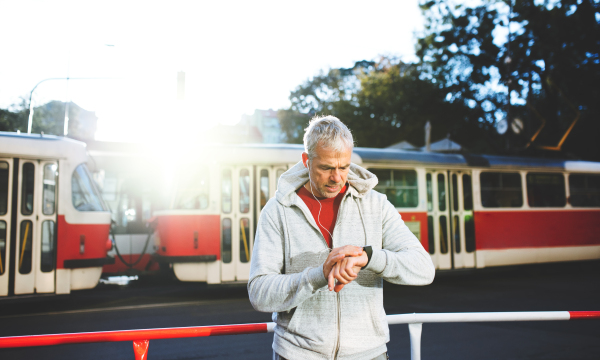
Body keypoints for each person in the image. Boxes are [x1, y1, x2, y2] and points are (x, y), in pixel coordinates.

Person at [248, 115, 435, 360]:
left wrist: (368, 257)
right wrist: (318, 275)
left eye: (344, 167)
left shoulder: (376, 205)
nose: (337, 177)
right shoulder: (277, 210)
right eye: (326, 168)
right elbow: (259, 292)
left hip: (369, 354)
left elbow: (424, 269)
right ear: (307, 161)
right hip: (297, 355)